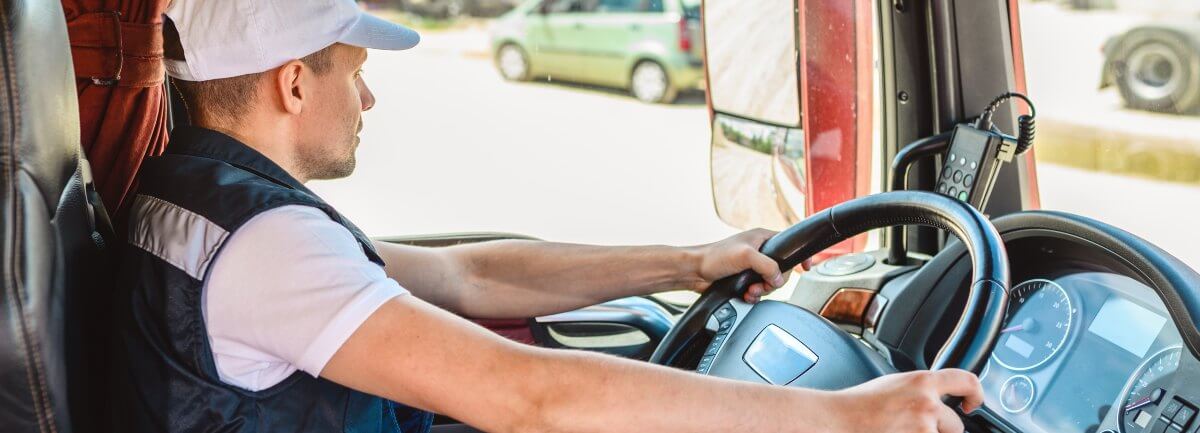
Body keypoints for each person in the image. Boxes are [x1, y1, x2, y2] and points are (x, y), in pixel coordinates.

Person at [112, 0, 984, 432]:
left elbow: (469, 274)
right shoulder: (266, 247)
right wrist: (843, 416)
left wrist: (686, 262)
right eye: (349, 70)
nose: (368, 95)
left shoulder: (200, 196)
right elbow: (526, 395)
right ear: (293, 82)